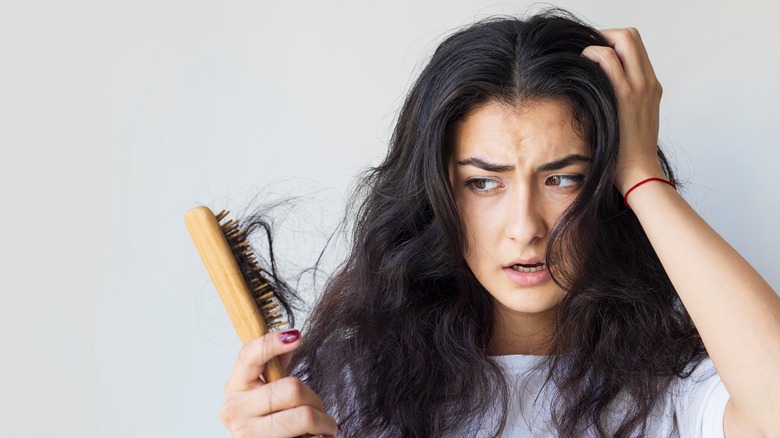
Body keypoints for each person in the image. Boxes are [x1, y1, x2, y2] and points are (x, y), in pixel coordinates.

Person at [218, 9, 780, 437]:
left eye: (563, 178)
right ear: (436, 192)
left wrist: (640, 170)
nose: (525, 228)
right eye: (484, 182)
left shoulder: (679, 388)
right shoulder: (344, 388)